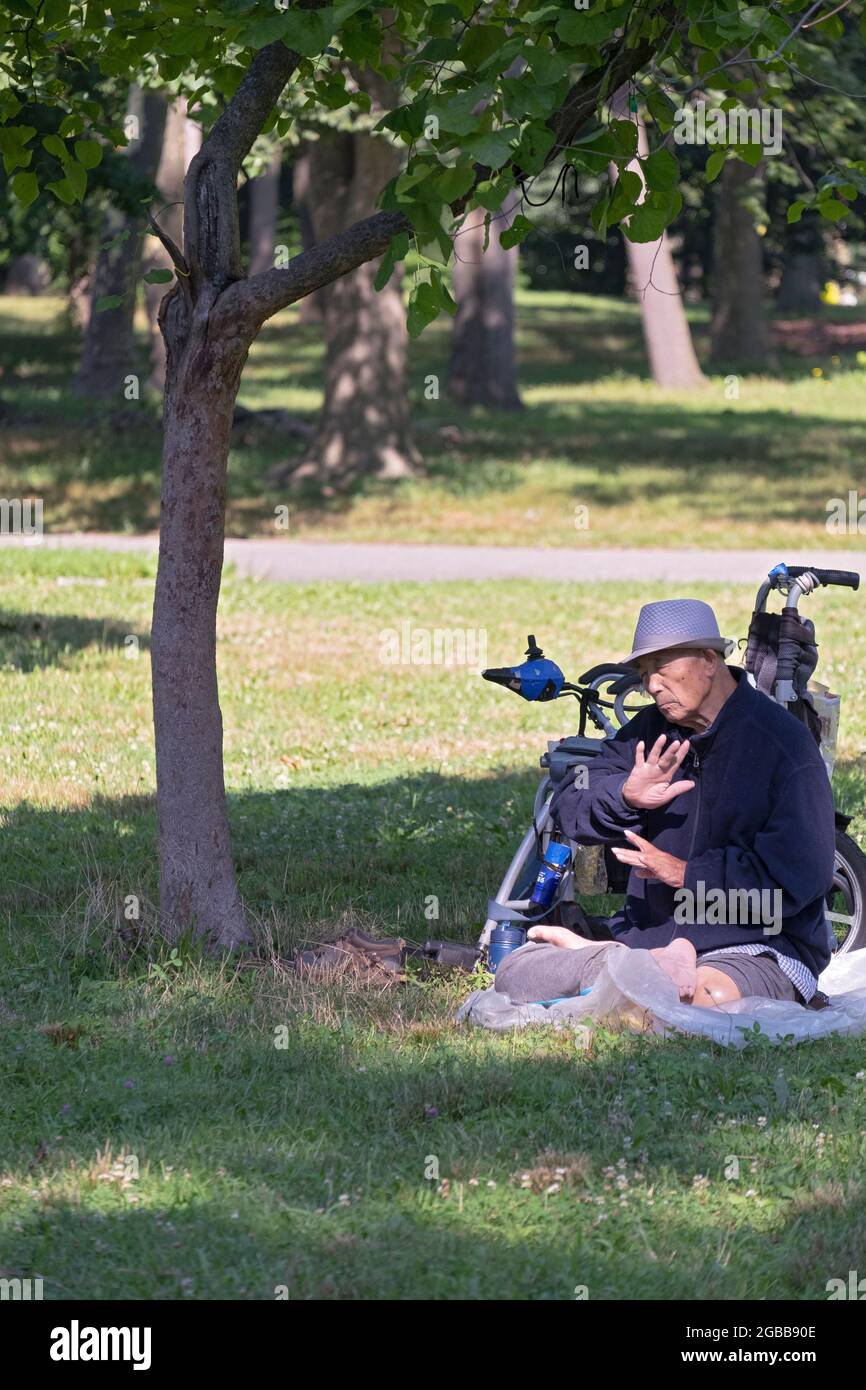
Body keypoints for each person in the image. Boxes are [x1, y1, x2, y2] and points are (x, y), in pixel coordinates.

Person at [494, 598, 835, 1010]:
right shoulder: (652, 730)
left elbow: (796, 882)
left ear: (709, 660)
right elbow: (571, 801)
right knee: (515, 974)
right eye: (644, 674)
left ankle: (622, 973)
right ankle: (621, 965)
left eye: (662, 667)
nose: (652, 685)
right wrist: (624, 794)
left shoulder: (783, 745)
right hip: (648, 943)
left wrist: (685, 874)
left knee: (709, 999)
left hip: (758, 945)